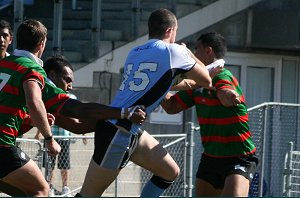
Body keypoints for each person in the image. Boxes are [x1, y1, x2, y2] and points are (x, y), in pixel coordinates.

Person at [0, 19, 146, 197]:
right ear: (42, 44)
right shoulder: (31, 70)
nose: (70, 86)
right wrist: (123, 113)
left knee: (24, 191)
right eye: (67, 80)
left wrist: (30, 121)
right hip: (2, 145)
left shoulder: (5, 64)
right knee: (41, 190)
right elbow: (73, 114)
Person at [76, 8, 212, 197]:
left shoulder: (136, 52)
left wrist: (185, 81)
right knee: (88, 195)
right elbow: (206, 79)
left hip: (128, 128)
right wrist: (188, 52)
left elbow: (165, 83)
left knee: (169, 171)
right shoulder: (175, 51)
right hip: (118, 132)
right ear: (170, 30)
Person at [161, 32, 258, 197]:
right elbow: (171, 106)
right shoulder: (196, 84)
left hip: (239, 157)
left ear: (208, 51)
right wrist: (158, 86)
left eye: (196, 50)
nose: (193, 54)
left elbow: (227, 95)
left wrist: (227, 94)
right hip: (211, 158)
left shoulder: (222, 75)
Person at [33, 55, 85, 196]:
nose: (70, 86)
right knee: (49, 167)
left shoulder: (69, 98)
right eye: (67, 80)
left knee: (64, 166)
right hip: (52, 136)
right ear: (52, 75)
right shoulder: (43, 90)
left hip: (64, 138)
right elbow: (37, 112)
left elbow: (77, 122)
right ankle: (48, 186)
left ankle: (65, 187)